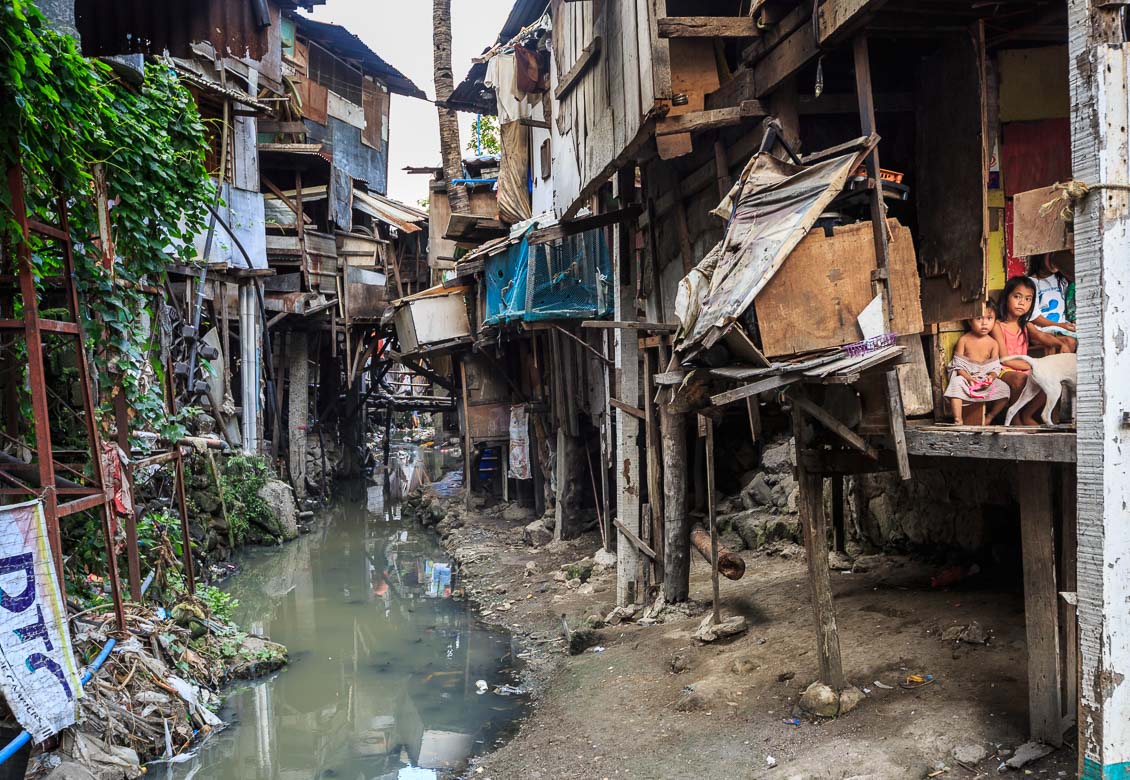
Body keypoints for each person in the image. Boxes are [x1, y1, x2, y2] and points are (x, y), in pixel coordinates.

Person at [992, 276, 1046, 426]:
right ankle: (1015, 417)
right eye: (1017, 296)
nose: (1022, 302)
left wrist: (1062, 336)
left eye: (1028, 299)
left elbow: (1042, 337)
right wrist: (1031, 365)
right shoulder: (997, 325)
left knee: (1046, 380)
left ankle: (1027, 415)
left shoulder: (1026, 325)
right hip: (1003, 369)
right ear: (1006, 297)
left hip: (1024, 367)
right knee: (1020, 380)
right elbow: (1004, 359)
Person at [944, 300, 1010, 424]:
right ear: (970, 320)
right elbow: (958, 366)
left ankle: (990, 417)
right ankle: (958, 419)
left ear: (995, 321)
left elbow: (995, 368)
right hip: (967, 379)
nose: (984, 323)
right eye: (979, 318)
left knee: (1005, 389)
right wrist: (968, 378)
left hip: (984, 381)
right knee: (956, 384)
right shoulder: (964, 340)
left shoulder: (993, 343)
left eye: (989, 318)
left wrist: (991, 377)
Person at [1027, 252, 1077, 354]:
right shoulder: (1031, 282)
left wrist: (1071, 323)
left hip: (1062, 328)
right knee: (1069, 342)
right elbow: (1034, 316)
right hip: (1042, 329)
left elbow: (1067, 307)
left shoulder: (1061, 281)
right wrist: (1059, 325)